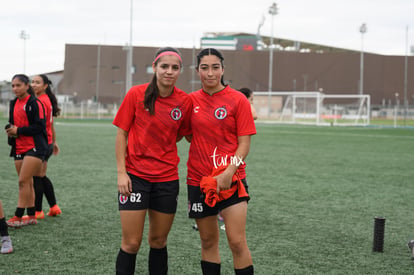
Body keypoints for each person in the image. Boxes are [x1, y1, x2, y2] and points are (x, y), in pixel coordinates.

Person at [113, 47, 191, 275]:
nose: (169, 71)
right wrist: (121, 172)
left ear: (179, 72)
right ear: (155, 67)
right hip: (135, 177)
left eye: (174, 68)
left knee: (158, 241)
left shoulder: (183, 101)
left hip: (167, 179)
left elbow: (182, 134)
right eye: (164, 66)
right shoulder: (136, 94)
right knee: (131, 243)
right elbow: (122, 134)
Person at [186, 48, 256, 275]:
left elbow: (244, 144)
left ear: (223, 69)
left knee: (236, 241)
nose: (210, 73)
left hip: (232, 180)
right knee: (207, 242)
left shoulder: (238, 100)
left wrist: (228, 172)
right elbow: (187, 134)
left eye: (215, 67)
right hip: (198, 181)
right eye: (204, 68)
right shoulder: (191, 101)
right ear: (197, 71)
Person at [5, 74, 48, 228]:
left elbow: (39, 126)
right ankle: (31, 215)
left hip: (35, 147)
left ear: (26, 86)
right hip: (19, 146)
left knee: (23, 181)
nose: (15, 88)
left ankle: (18, 215)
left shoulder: (35, 103)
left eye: (18, 85)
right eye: (13, 86)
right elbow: (13, 123)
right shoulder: (13, 103)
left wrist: (19, 130)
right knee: (27, 182)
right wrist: (11, 130)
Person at [28, 74, 62, 219]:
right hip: (47, 142)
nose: (34, 84)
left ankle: (38, 211)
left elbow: (43, 125)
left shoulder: (40, 101)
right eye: (32, 82)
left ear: (45, 86)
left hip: (41, 143)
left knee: (37, 177)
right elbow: (51, 124)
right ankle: (54, 207)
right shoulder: (45, 99)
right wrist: (54, 142)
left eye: (37, 82)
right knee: (41, 176)